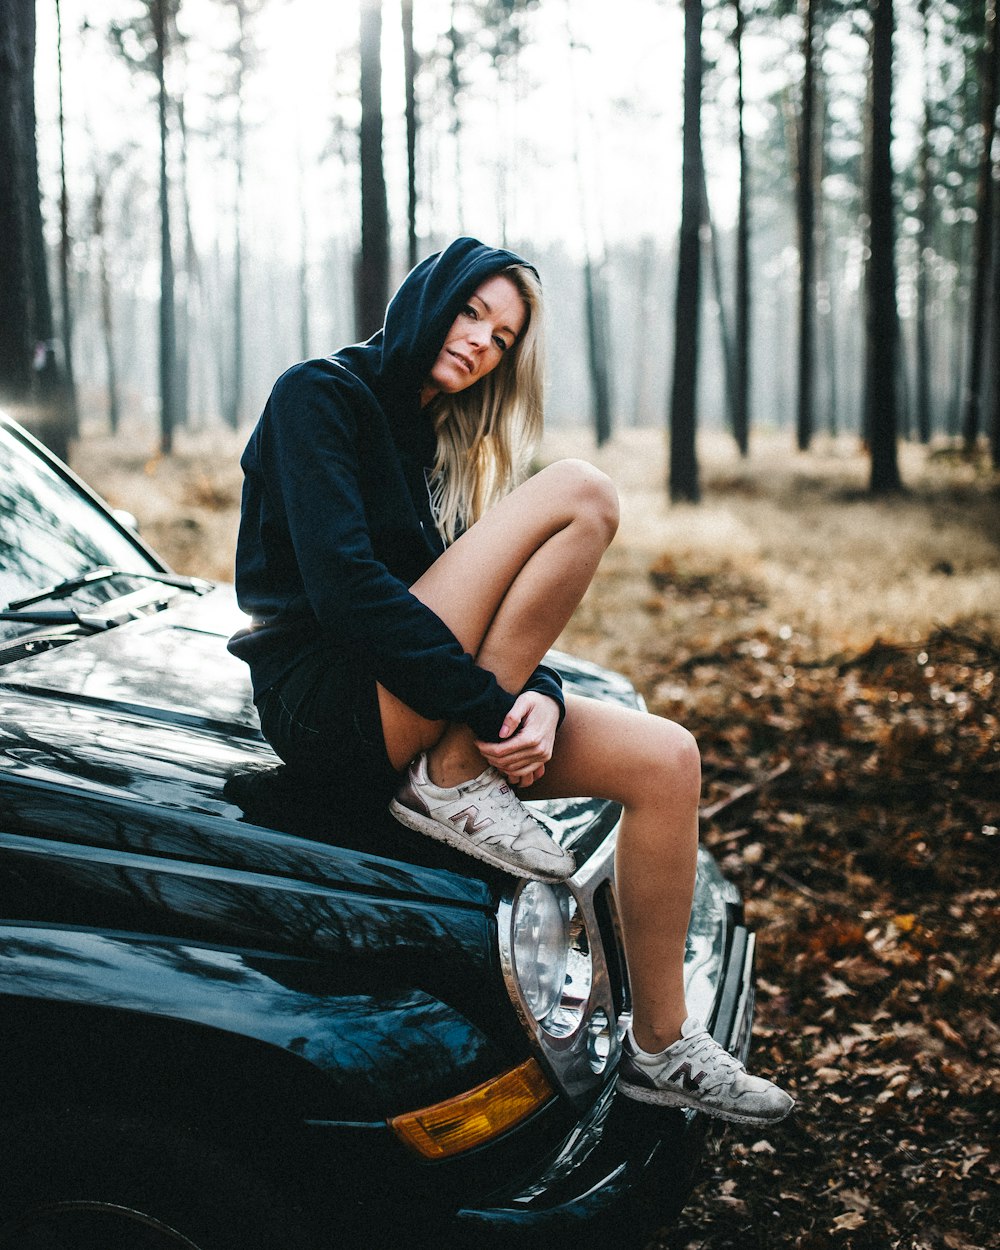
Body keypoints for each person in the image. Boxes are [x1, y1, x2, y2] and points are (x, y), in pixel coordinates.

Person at [229, 237, 794, 1127]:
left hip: (408, 695)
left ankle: (662, 1046)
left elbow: (484, 625)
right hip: (328, 701)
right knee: (582, 493)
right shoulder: (320, 395)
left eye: (502, 337)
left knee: (668, 762)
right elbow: (350, 598)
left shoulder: (434, 435)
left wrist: (543, 699)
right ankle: (454, 776)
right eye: (471, 312)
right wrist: (492, 709)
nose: (481, 343)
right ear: (428, 298)